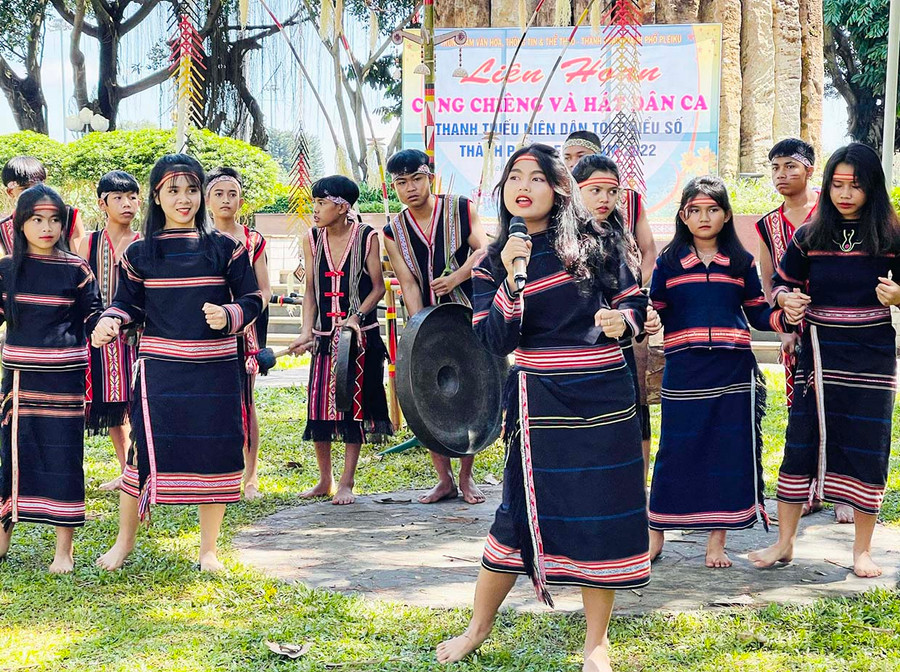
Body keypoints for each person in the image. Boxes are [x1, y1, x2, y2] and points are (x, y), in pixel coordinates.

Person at [436, 145, 649, 672]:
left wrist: (626, 322)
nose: (523, 185)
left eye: (537, 176)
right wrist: (513, 279)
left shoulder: (599, 242)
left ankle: (596, 643)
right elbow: (494, 339)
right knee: (517, 513)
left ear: (558, 188)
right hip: (538, 399)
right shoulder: (491, 261)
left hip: (603, 394)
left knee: (601, 512)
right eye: (514, 176)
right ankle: (476, 628)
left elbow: (633, 301)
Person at [91, 154, 262, 572]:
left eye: (190, 190)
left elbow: (253, 300)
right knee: (142, 452)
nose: (183, 199)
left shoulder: (226, 249)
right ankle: (123, 544)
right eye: (173, 190)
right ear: (157, 196)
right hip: (160, 372)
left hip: (217, 370)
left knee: (216, 452)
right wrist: (109, 321)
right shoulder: (140, 253)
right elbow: (125, 303)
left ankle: (209, 552)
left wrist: (230, 315)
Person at [750, 143, 900, 579]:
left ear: (873, 187)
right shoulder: (810, 234)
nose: (845, 193)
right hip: (819, 353)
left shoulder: (890, 235)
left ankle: (862, 550)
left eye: (856, 185)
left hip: (871, 357)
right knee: (801, 442)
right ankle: (784, 542)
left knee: (867, 445)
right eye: (837, 184)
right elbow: (780, 282)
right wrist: (788, 300)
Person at [645, 176, 794, 568]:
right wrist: (645, 318)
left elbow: (758, 310)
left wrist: (784, 317)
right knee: (675, 451)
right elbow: (655, 306)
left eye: (713, 209)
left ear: (726, 215)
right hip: (685, 368)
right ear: (683, 216)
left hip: (733, 372)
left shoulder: (740, 262)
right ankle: (654, 536)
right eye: (695, 210)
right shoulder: (669, 261)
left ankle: (716, 542)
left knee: (725, 453)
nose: (704, 217)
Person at [0, 185, 103, 572]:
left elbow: (93, 313)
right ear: (20, 223)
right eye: (37, 219)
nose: (47, 227)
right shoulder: (7, 269)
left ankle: (65, 550)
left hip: (65, 378)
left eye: (54, 219)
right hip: (20, 379)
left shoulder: (77, 269)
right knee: (11, 455)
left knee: (63, 456)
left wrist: (104, 326)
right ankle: (4, 536)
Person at [755, 138, 854, 523]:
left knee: (843, 403)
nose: (782, 175)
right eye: (776, 167)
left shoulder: (833, 212)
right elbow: (768, 280)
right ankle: (808, 488)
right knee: (803, 409)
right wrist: (782, 328)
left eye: (790, 167)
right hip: (797, 329)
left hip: (843, 324)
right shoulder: (768, 224)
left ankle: (844, 492)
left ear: (811, 170)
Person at [383, 149, 489, 505]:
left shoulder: (461, 208)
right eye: (401, 182)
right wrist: (419, 327)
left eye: (416, 179)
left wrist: (457, 276)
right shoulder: (392, 230)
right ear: (394, 187)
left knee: (470, 395)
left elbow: (483, 250)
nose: (410, 188)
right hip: (426, 320)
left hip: (466, 314)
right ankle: (443, 479)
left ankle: (467, 477)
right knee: (428, 397)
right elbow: (408, 281)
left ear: (430, 178)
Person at [287, 175, 392, 505]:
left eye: (321, 202)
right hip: (322, 337)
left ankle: (347, 482)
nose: (315, 209)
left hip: (358, 338)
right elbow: (310, 291)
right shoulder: (311, 239)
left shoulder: (366, 237)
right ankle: (324, 480)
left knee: (352, 409)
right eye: (315, 202)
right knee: (319, 409)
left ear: (342, 207)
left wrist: (355, 317)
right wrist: (306, 330)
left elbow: (378, 286)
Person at [573, 154, 657, 482]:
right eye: (595, 190)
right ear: (574, 190)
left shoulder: (614, 235)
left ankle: (629, 485)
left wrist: (635, 313)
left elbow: (631, 287)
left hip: (613, 342)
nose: (604, 199)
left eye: (611, 191)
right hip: (570, 348)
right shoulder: (555, 234)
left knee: (624, 412)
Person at [206, 166, 272, 500]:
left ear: (241, 200)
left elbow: (263, 291)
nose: (226, 200)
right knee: (212, 403)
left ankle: (250, 477)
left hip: (244, 333)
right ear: (207, 200)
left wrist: (240, 314)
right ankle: (215, 477)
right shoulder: (199, 240)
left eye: (232, 194)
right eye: (218, 193)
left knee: (245, 400)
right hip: (205, 333)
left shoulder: (252, 240)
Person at [76, 171, 142, 492]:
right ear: (102, 203)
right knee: (113, 407)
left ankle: (145, 470)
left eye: (132, 197)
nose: (126, 204)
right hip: (98, 339)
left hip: (137, 337)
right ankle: (126, 471)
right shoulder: (86, 243)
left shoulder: (144, 244)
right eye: (118, 198)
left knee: (139, 404)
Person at [1, 156, 86, 254]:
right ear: (10, 192)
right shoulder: (3, 229)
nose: (34, 193)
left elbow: (81, 259)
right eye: (25, 189)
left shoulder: (68, 216)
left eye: (37, 187)